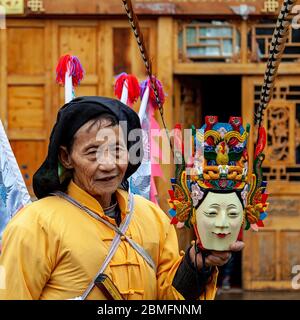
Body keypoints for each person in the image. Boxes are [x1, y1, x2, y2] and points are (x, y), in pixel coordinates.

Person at [0, 96, 243, 300]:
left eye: (117, 150)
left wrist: (198, 264)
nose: (108, 165)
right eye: (92, 152)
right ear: (66, 157)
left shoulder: (153, 218)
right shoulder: (34, 225)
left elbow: (169, 298)